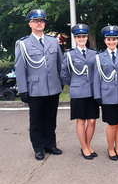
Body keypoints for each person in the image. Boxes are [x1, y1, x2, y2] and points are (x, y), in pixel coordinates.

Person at [14, 9, 63, 160]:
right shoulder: (23, 44)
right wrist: (23, 90)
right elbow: (20, 68)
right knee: (36, 121)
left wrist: (60, 83)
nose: (39, 23)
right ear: (30, 24)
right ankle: (39, 147)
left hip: (52, 88)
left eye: (42, 21)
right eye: (36, 21)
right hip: (35, 89)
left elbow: (60, 64)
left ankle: (50, 144)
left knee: (50, 119)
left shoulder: (53, 41)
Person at [94, 26, 118, 161]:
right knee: (112, 124)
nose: (112, 42)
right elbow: (96, 78)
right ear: (105, 40)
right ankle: (110, 149)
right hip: (107, 95)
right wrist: (97, 95)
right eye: (109, 39)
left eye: (114, 39)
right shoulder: (99, 57)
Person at [61, 24, 99, 160]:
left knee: (92, 121)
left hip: (92, 92)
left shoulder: (94, 53)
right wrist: (75, 84)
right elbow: (64, 73)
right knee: (81, 120)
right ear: (75, 38)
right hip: (78, 93)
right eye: (79, 37)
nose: (81, 39)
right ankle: (84, 147)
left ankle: (88, 145)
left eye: (84, 36)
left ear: (87, 37)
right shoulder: (70, 54)